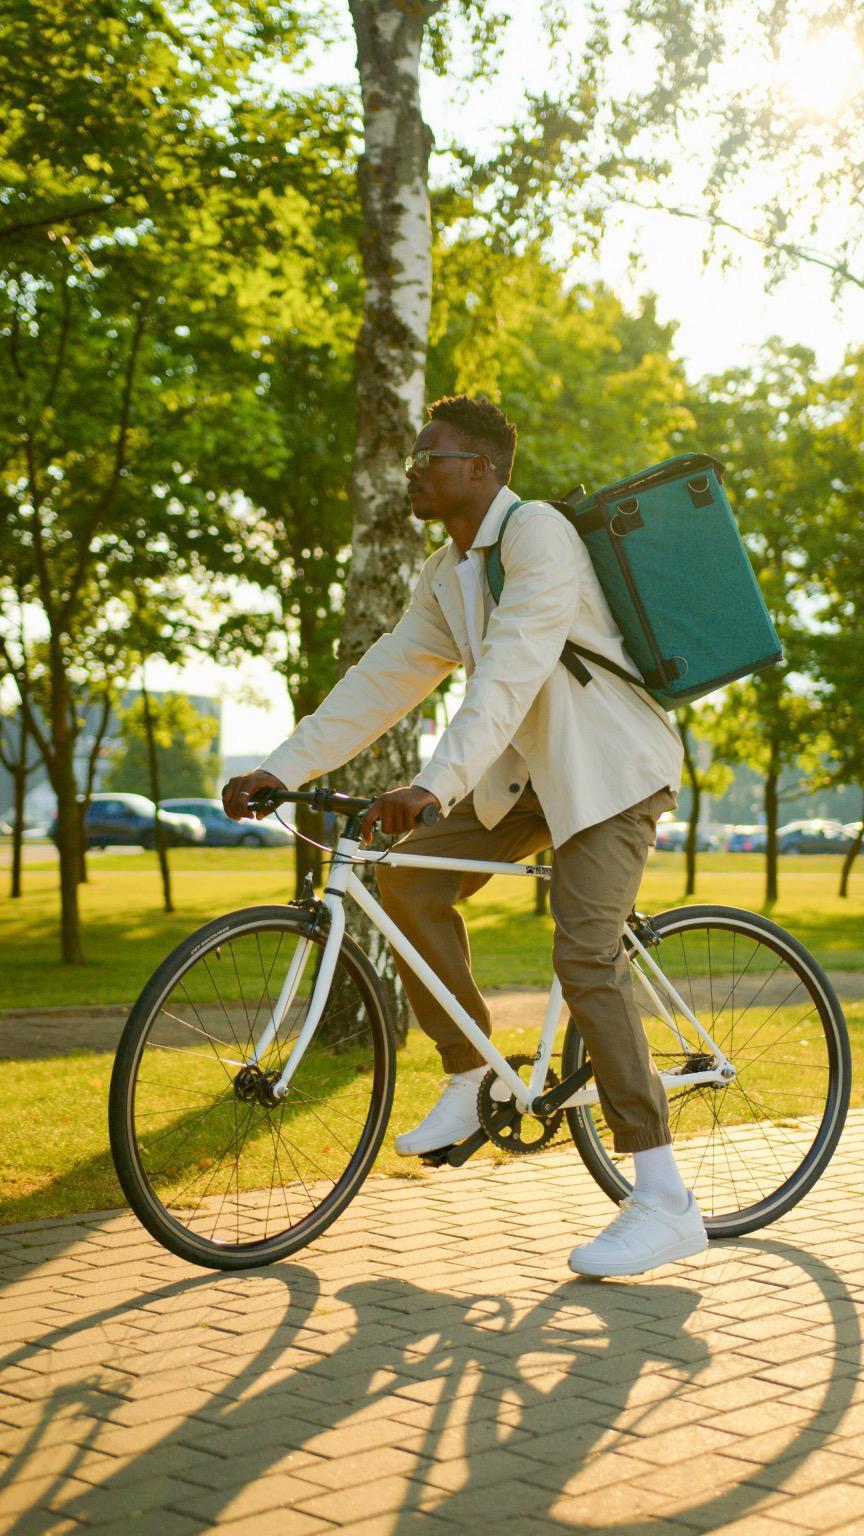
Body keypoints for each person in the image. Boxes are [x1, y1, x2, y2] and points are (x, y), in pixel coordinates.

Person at [223, 394, 708, 1278]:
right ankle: (472, 1073)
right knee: (406, 877)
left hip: (608, 774)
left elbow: (512, 671)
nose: (413, 471)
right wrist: (280, 766)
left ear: (479, 469)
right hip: (528, 782)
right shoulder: (448, 571)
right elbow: (382, 678)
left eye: (429, 457)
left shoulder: (538, 537)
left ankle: (665, 1199)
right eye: (413, 458)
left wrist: (434, 783)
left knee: (585, 954)